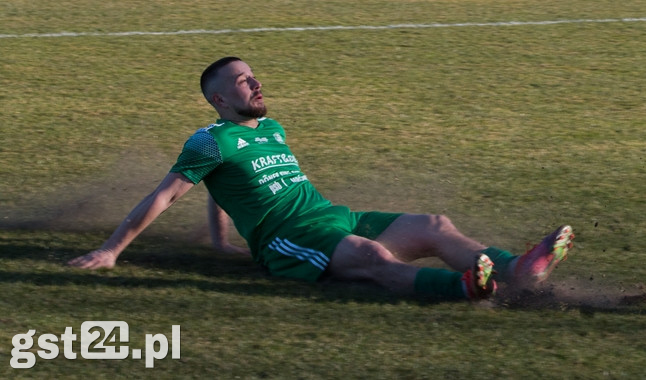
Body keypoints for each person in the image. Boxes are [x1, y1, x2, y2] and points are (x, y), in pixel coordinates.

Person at [69, 57, 574, 301]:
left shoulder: (271, 129)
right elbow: (164, 196)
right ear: (220, 99)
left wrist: (221, 240)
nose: (257, 82)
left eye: (254, 75)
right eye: (244, 81)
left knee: (434, 224)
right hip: (289, 240)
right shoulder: (209, 140)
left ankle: (517, 269)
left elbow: (221, 186)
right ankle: (463, 290)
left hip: (332, 217)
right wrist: (112, 251)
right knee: (372, 259)